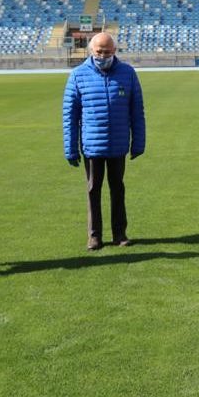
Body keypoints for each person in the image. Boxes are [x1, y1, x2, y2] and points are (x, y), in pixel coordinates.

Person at [62, 32, 146, 250]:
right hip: (92, 146)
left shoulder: (127, 73)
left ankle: (120, 234)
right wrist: (70, 148)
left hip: (118, 145)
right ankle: (94, 235)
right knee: (93, 190)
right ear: (92, 51)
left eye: (107, 52)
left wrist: (138, 143)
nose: (103, 55)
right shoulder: (78, 75)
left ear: (114, 51)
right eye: (99, 52)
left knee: (118, 189)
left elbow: (137, 111)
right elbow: (70, 115)